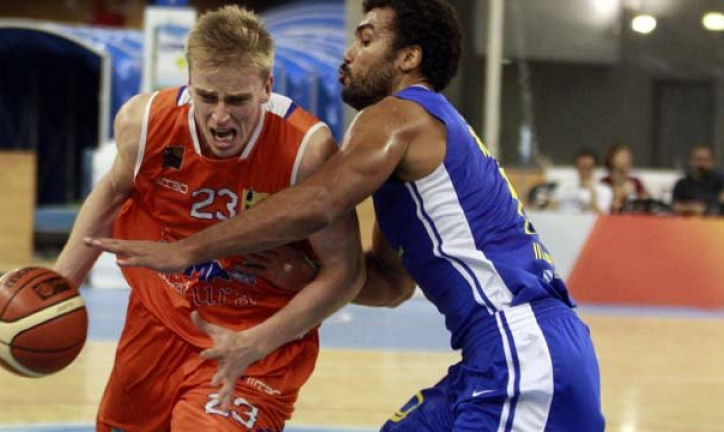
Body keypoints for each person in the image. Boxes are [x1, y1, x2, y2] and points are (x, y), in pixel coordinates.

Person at [88, 0, 605, 430]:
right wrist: (309, 274)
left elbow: (318, 202)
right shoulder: (410, 172)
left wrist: (190, 247)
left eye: (365, 39)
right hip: (500, 354)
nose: (348, 54)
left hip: (523, 348)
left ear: (408, 57)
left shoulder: (397, 116)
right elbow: (391, 285)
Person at [56, 6, 364, 431]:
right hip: (157, 326)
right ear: (189, 83)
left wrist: (256, 341)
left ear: (265, 86)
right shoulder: (144, 123)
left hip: (255, 338)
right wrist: (60, 286)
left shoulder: (306, 151)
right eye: (207, 96)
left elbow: (346, 273)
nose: (220, 116)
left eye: (237, 99)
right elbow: (111, 193)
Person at [672, 145, 724, 216]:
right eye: (698, 160)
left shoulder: (720, 180)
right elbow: (675, 206)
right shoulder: (682, 184)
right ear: (691, 161)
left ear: (712, 162)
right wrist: (692, 208)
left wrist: (706, 207)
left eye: (705, 160)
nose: (701, 164)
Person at [552, 148, 613, 215]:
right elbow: (552, 211)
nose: (585, 172)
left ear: (594, 168)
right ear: (577, 168)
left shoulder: (604, 190)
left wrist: (593, 197)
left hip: (590, 224)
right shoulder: (564, 188)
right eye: (582, 168)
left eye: (589, 168)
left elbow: (603, 219)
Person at [601, 144, 649, 212]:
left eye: (629, 157)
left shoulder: (636, 182)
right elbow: (605, 208)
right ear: (611, 160)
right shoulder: (604, 183)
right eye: (623, 157)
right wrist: (622, 195)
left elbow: (646, 203)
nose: (628, 160)